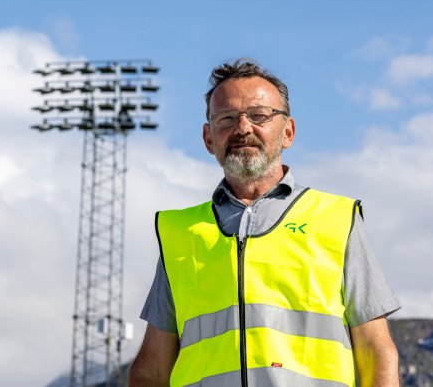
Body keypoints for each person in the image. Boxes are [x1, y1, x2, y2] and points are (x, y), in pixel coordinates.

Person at [128, 58, 400, 387]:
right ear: (208, 138)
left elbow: (376, 352)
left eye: (259, 116)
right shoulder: (180, 233)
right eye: (226, 118)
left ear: (287, 132)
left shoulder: (338, 220)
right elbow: (152, 369)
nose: (243, 128)